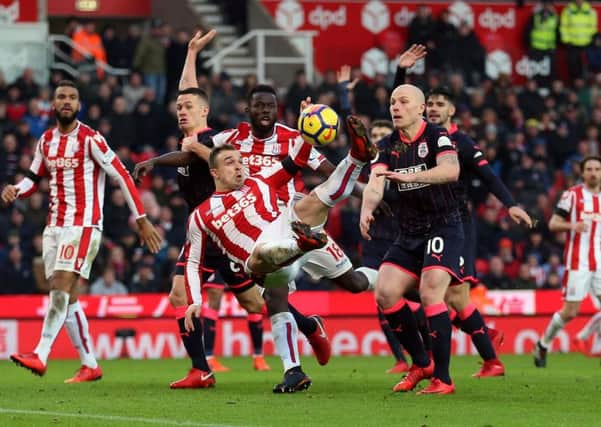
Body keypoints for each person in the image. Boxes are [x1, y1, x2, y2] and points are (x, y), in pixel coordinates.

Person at [133, 31, 329, 387]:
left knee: (259, 304)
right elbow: (188, 93)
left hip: (232, 233)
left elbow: (196, 134)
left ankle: (307, 326)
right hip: (205, 232)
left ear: (204, 111)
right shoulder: (193, 140)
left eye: (187, 108)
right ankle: (201, 369)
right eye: (179, 107)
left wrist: (156, 162)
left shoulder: (212, 142)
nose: (181, 109)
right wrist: (191, 52)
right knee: (188, 294)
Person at [183, 115, 377, 393]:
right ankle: (293, 371)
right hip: (261, 256)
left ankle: (357, 157)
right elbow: (192, 261)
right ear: (214, 172)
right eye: (230, 163)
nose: (239, 167)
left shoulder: (259, 182)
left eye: (240, 161)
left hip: (290, 227)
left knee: (354, 279)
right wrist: (194, 300)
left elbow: (296, 157)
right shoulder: (201, 216)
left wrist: (304, 127)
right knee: (268, 271)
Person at [1, 80, 162, 382]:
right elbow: (32, 178)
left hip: (83, 224)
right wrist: (15, 189)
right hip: (55, 227)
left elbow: (123, 176)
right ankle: (90, 364)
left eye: (72, 97)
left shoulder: (92, 139)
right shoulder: (45, 141)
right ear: (53, 103)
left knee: (60, 286)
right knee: (69, 296)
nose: (66, 101)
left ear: (78, 105)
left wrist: (141, 218)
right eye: (61, 96)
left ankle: (40, 353)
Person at [425, 86, 534, 377]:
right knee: (431, 293)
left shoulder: (462, 142)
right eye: (430, 104)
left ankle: (487, 356)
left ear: (452, 111)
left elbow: (489, 177)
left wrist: (510, 204)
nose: (433, 108)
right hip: (426, 224)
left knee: (454, 296)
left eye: (440, 104)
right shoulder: (422, 139)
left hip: (457, 224)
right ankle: (486, 340)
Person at [361, 84, 461, 395]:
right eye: (392, 101)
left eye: (403, 101)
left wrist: (410, 176)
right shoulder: (387, 145)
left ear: (420, 109)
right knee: (385, 292)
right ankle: (421, 363)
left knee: (431, 293)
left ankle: (443, 378)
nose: (396, 106)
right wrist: (366, 209)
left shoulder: (436, 136)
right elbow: (375, 182)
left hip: (442, 226)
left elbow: (451, 170)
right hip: (410, 231)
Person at [534, 156, 601, 367]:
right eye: (589, 169)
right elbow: (553, 223)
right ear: (582, 173)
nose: (593, 173)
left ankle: (588, 341)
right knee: (570, 311)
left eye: (597, 169)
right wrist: (573, 227)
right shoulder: (572, 195)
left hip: (599, 261)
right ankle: (543, 344)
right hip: (577, 261)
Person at [560, 0, 598, 80]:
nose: (579, 1)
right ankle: (575, 85)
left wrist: (592, 40)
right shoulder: (568, 11)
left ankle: (586, 86)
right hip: (572, 44)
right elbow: (563, 27)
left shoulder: (591, 11)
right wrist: (566, 41)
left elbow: (593, 27)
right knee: (573, 66)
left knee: (588, 67)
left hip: (587, 44)